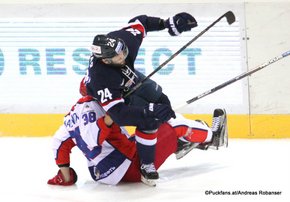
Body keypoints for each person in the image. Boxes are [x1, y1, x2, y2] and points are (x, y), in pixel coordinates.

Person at [82, 13, 198, 182]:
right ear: (106, 61)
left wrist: (167, 23)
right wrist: (149, 111)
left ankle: (177, 141)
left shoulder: (124, 40)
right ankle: (146, 164)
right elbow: (118, 114)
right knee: (148, 119)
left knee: (163, 101)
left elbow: (141, 22)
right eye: (118, 57)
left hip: (129, 76)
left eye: (122, 51)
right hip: (116, 93)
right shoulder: (102, 77)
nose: (123, 56)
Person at [47, 96, 227, 186]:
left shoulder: (73, 115)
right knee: (172, 123)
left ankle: (181, 142)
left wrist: (65, 176)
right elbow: (94, 136)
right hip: (128, 169)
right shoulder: (99, 106)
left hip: (100, 173)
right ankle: (214, 137)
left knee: (142, 135)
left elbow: (58, 143)